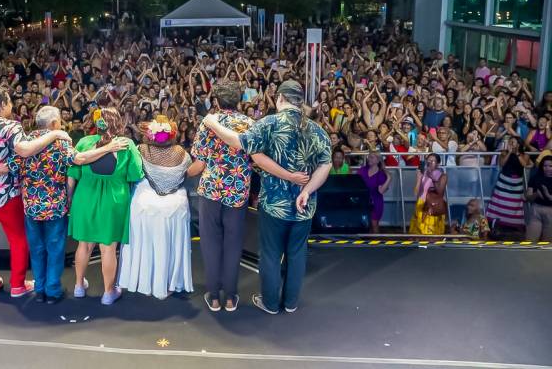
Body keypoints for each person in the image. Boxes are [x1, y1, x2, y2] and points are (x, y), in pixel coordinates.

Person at [0, 105, 128, 304]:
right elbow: (79, 159)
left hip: (31, 207)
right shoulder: (60, 142)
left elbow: (7, 167)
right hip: (55, 207)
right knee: (55, 250)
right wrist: (108, 148)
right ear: (54, 123)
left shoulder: (25, 142)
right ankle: (52, 290)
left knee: (36, 250)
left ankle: (40, 289)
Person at [202, 80, 332, 315]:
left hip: (274, 204)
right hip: (304, 205)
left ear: (280, 98)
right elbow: (326, 165)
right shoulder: (317, 129)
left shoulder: (269, 123)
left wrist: (212, 123)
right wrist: (306, 190)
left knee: (271, 254)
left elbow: (239, 142)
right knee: (297, 253)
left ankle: (271, 303)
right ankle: (291, 303)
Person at [0, 86, 71, 298]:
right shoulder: (10, 126)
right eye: (10, 101)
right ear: (2, 104)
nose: (11, 105)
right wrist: (56, 133)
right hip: (6, 195)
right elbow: (24, 151)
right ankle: (18, 286)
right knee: (18, 239)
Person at [68, 107, 144, 306]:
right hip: (114, 201)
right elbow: (136, 174)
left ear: (97, 123)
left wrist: (69, 199)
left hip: (85, 198)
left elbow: (72, 174)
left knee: (84, 244)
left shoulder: (84, 142)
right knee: (108, 248)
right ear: (118, 122)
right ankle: (109, 293)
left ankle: (78, 286)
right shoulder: (126, 144)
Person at [118, 115, 194, 300]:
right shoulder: (182, 153)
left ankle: (142, 279)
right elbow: (187, 173)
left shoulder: (140, 150)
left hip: (145, 206)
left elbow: (131, 173)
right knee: (169, 245)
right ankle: (169, 282)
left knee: (144, 241)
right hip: (174, 207)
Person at [486, 137, 533, 234]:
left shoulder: (525, 154)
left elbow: (524, 164)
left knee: (514, 204)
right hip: (504, 182)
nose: (511, 143)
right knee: (500, 202)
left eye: (513, 142)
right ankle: (496, 223)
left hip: (517, 184)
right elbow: (502, 164)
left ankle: (513, 225)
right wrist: (509, 153)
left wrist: (517, 153)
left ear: (518, 144)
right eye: (510, 142)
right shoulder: (504, 152)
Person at [409, 153, 447, 235]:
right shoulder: (423, 173)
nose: (429, 163)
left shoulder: (442, 175)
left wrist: (432, 177)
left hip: (432, 206)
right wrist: (419, 179)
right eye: (428, 161)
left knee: (431, 233)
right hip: (421, 204)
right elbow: (416, 192)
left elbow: (440, 192)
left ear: (438, 164)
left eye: (432, 161)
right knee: (418, 232)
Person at [358, 151, 392, 234]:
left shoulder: (381, 174)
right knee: (365, 225)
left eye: (372, 157)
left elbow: (381, 191)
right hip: (363, 201)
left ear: (378, 160)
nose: (369, 159)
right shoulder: (362, 170)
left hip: (375, 202)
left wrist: (389, 178)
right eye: (368, 157)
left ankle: (376, 241)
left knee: (374, 224)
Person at [525, 156, 552, 243]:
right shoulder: (535, 178)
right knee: (530, 241)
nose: (547, 168)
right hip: (536, 210)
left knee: (547, 243)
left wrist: (548, 196)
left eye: (550, 166)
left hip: (550, 212)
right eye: (545, 166)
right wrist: (536, 194)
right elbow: (528, 197)